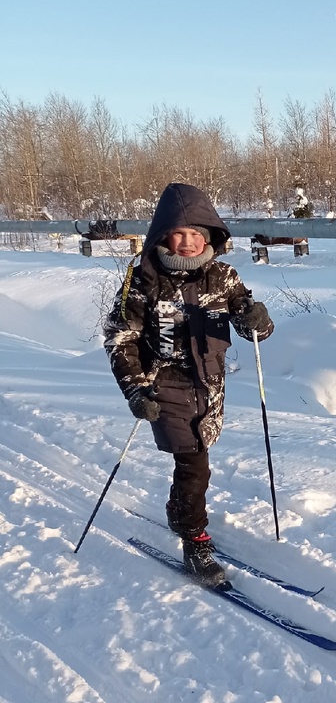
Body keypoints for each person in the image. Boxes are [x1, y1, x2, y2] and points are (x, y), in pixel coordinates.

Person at [104, 182, 273, 586]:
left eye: (196, 233)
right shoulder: (143, 280)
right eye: (178, 233)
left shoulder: (223, 277)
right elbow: (120, 338)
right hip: (163, 384)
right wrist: (135, 390)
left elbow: (254, 329)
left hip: (210, 386)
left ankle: (181, 512)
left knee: (198, 453)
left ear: (209, 235)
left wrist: (258, 320)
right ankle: (193, 538)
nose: (187, 242)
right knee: (194, 462)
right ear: (163, 235)